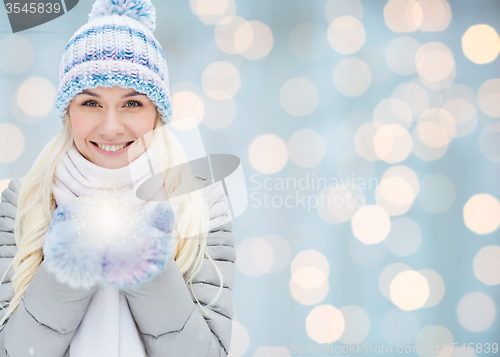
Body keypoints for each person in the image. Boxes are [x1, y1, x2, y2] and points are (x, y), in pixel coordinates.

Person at [0, 0, 236, 356]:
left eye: (132, 103)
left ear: (157, 112)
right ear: (68, 112)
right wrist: (67, 270)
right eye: (91, 103)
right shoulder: (24, 202)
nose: (111, 128)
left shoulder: (200, 201)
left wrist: (147, 266)